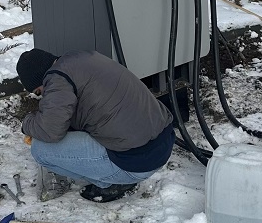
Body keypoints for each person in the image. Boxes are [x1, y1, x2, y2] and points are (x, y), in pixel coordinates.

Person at [16, 47, 175, 202]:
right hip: (161, 142)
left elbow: (50, 131)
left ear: (42, 80)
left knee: (40, 149)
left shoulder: (57, 80)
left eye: (39, 92)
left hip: (136, 162)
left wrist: (27, 123)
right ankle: (118, 176)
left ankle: (112, 183)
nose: (42, 96)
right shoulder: (81, 58)